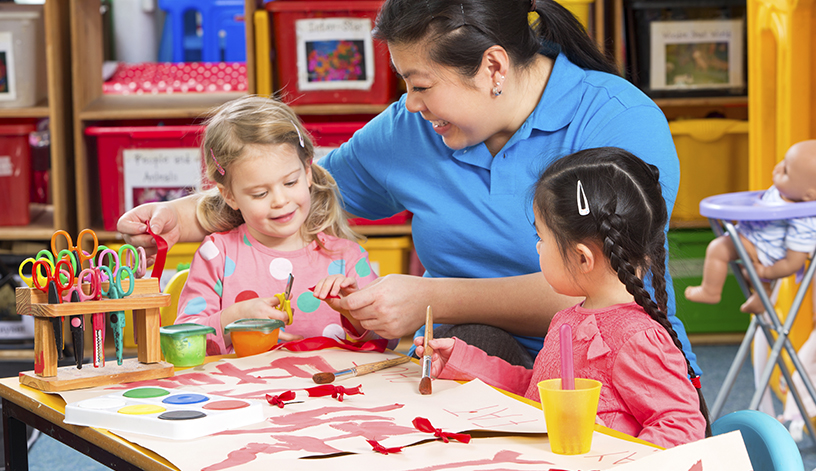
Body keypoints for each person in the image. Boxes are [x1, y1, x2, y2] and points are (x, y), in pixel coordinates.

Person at [117, 0, 700, 374]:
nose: (409, 103)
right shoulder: (412, 128)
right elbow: (293, 192)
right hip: (470, 363)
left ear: (493, 68)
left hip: (617, 374)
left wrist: (431, 298)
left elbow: (605, 288)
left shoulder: (617, 120)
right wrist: (187, 214)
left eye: (421, 84)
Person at [415, 148, 709, 448]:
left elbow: (681, 425)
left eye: (541, 238)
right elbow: (536, 393)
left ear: (583, 258)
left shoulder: (637, 338)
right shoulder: (568, 319)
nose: (539, 248)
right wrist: (461, 359)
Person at [174, 96, 393, 355]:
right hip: (246, 392)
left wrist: (355, 314)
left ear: (308, 172)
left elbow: (386, 341)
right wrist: (232, 319)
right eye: (259, 194)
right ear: (229, 195)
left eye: (290, 183)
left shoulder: (347, 258)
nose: (280, 201)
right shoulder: (217, 255)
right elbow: (183, 341)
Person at [685, 139, 816, 314]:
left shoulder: (803, 220)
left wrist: (767, 271)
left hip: (764, 250)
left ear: (809, 196)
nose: (778, 167)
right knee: (745, 268)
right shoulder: (784, 192)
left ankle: (710, 291)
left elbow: (794, 262)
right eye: (783, 161)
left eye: (785, 171)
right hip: (756, 239)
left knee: (718, 249)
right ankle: (762, 296)